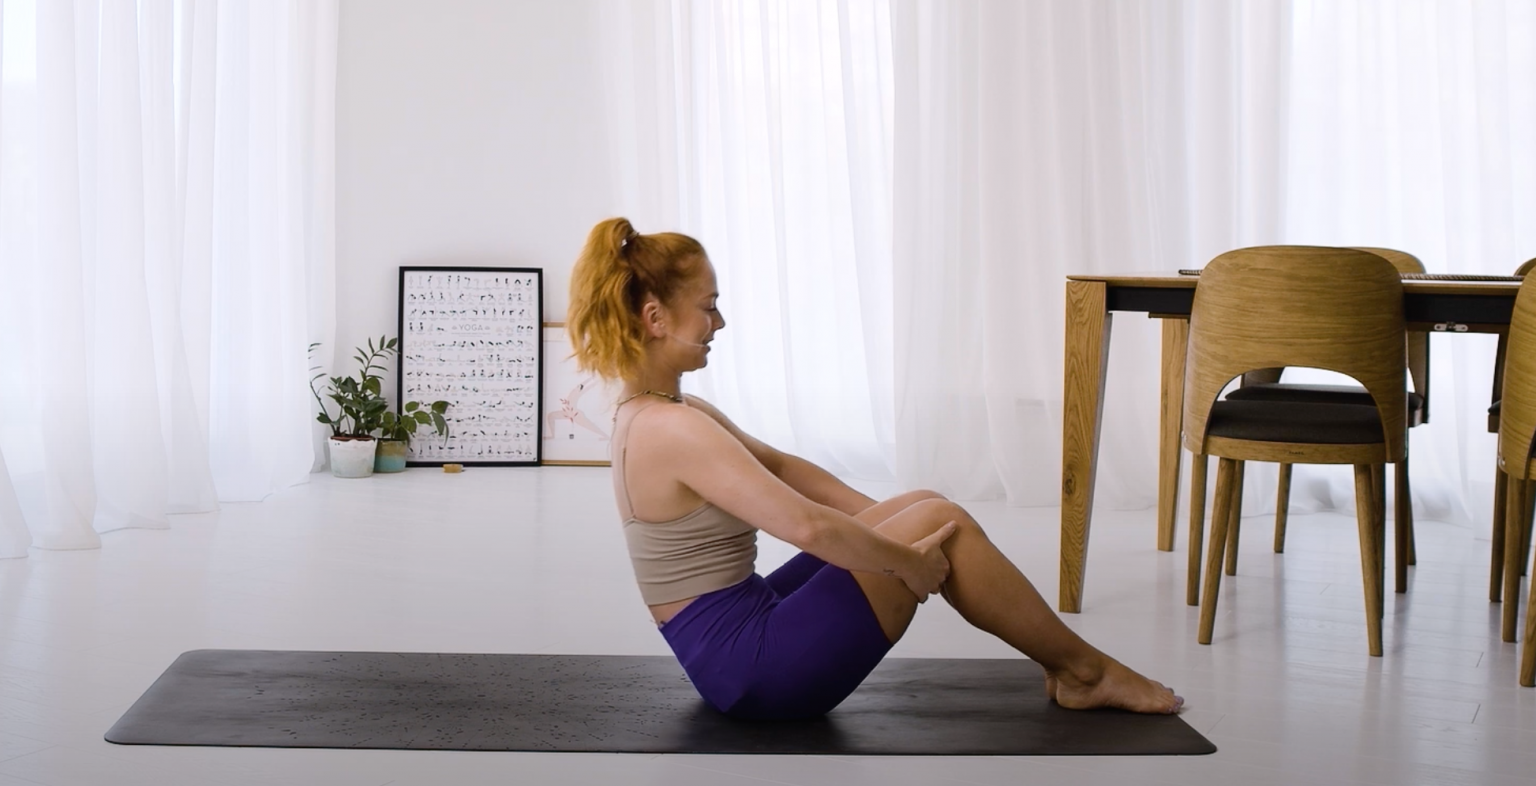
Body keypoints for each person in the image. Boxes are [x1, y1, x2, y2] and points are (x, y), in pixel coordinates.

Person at [566, 217, 1184, 721]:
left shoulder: (666, 412)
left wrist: (891, 521)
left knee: (923, 507)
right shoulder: (673, 429)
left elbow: (780, 465)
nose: (719, 323)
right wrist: (905, 561)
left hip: (735, 647)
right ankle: (1085, 672)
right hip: (758, 669)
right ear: (656, 319)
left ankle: (1072, 665)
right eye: (709, 307)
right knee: (939, 524)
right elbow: (806, 527)